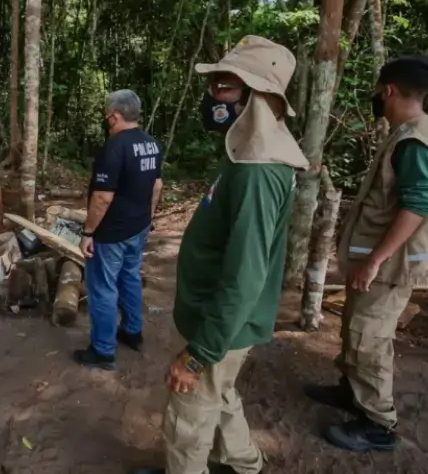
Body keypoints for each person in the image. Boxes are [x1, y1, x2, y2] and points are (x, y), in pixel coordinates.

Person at [131, 36, 309, 474]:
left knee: (187, 420)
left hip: (217, 326)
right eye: (214, 86)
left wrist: (197, 353)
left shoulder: (258, 172)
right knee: (221, 396)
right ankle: (244, 463)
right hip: (218, 321)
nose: (213, 96)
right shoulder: (244, 156)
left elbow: (246, 275)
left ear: (257, 96)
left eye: (225, 87)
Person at [304, 55, 428, 452]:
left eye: (379, 92)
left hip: (390, 265)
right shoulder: (415, 132)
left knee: (369, 340)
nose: (376, 98)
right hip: (381, 262)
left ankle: (378, 424)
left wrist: (375, 259)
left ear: (390, 90)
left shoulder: (416, 138)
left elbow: (416, 206)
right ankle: (352, 391)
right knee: (355, 328)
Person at [73, 89, 163, 371]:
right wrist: (148, 219)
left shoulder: (114, 147)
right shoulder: (152, 144)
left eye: (106, 116)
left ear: (114, 116)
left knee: (102, 288)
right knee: (130, 278)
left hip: (111, 233)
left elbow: (102, 197)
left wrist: (88, 233)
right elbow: (157, 186)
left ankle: (103, 350)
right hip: (137, 227)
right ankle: (133, 332)